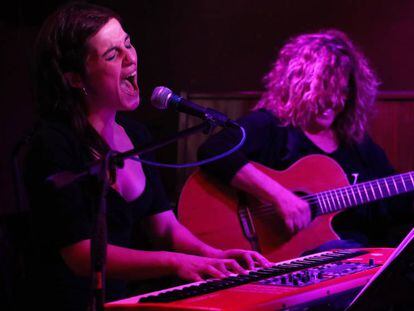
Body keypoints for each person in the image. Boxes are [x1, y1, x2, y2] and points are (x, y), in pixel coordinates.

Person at [22, 2, 269, 310]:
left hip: (125, 301)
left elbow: (164, 229)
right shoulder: (52, 144)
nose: (131, 58)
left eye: (128, 44)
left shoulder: (136, 135)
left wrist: (212, 255)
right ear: (75, 78)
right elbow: (80, 255)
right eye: (113, 54)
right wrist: (173, 263)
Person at [198, 29, 413, 252]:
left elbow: (395, 206)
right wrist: (279, 196)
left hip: (351, 257)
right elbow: (214, 150)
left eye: (343, 91)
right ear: (299, 85)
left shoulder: (357, 145)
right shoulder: (271, 126)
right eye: (324, 89)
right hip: (283, 259)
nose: (334, 101)